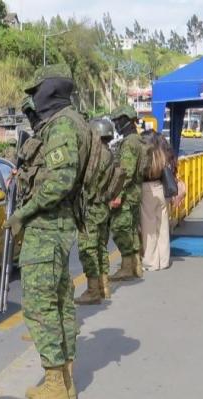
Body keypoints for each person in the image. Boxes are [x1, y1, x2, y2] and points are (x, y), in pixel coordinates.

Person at [3, 64, 90, 399]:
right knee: (60, 302)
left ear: (51, 89)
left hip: (47, 226)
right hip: (55, 225)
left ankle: (55, 387)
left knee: (40, 306)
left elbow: (60, 182)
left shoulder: (64, 125)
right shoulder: (67, 122)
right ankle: (63, 382)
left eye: (36, 90)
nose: (33, 98)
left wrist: (22, 214)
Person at [76, 118, 116, 304]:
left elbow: (86, 181)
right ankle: (104, 287)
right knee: (100, 247)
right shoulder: (109, 153)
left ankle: (93, 291)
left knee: (88, 249)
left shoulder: (96, 155)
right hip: (102, 207)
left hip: (91, 208)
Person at [108, 105, 146, 281]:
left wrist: (117, 195)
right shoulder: (138, 140)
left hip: (127, 194)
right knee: (132, 229)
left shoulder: (129, 143)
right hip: (135, 192)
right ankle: (136, 265)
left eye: (118, 122)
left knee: (120, 230)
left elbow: (126, 173)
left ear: (126, 121)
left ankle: (126, 267)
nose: (116, 126)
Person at [139, 133, 175, 271]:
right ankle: (164, 260)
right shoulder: (161, 153)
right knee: (163, 226)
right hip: (162, 188)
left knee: (149, 227)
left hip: (148, 189)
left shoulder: (147, 154)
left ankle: (151, 262)